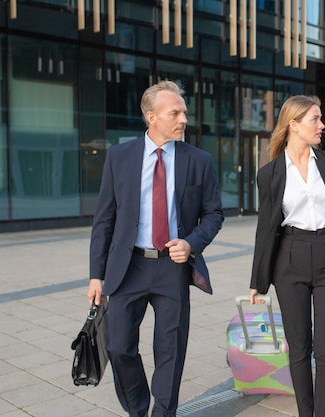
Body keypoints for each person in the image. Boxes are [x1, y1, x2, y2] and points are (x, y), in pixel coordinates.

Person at [87, 80, 224, 417]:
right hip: (128, 267)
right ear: (152, 116)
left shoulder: (199, 160)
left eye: (184, 113)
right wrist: (96, 275)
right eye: (175, 113)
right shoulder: (120, 157)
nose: (183, 119)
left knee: (170, 351)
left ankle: (163, 413)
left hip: (172, 269)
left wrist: (191, 242)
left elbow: (214, 213)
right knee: (118, 347)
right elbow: (104, 219)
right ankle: (137, 409)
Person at [249, 95, 325, 417]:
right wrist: (258, 282)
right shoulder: (270, 174)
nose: (322, 125)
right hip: (290, 258)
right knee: (299, 349)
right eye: (315, 119)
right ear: (294, 125)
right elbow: (265, 231)